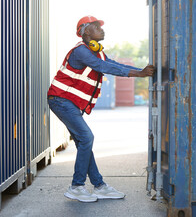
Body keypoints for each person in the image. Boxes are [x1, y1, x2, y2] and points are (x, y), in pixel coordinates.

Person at [47, 15, 155, 202]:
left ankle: (99, 186)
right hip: (61, 100)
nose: (102, 29)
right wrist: (139, 74)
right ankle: (77, 186)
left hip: (69, 103)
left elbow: (112, 64)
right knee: (87, 137)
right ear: (86, 31)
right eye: (97, 27)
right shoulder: (81, 51)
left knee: (84, 142)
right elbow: (102, 67)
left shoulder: (97, 53)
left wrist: (141, 71)